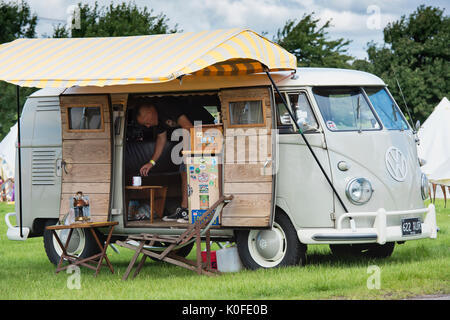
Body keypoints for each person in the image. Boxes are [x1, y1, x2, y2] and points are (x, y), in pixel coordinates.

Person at [135, 98, 214, 223]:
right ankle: (186, 209)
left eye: (146, 123)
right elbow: (161, 139)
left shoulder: (165, 107)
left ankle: (187, 209)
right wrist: (151, 162)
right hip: (193, 134)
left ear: (149, 113)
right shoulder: (158, 121)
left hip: (207, 129)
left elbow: (188, 127)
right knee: (184, 169)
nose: (147, 126)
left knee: (186, 168)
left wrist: (188, 154)